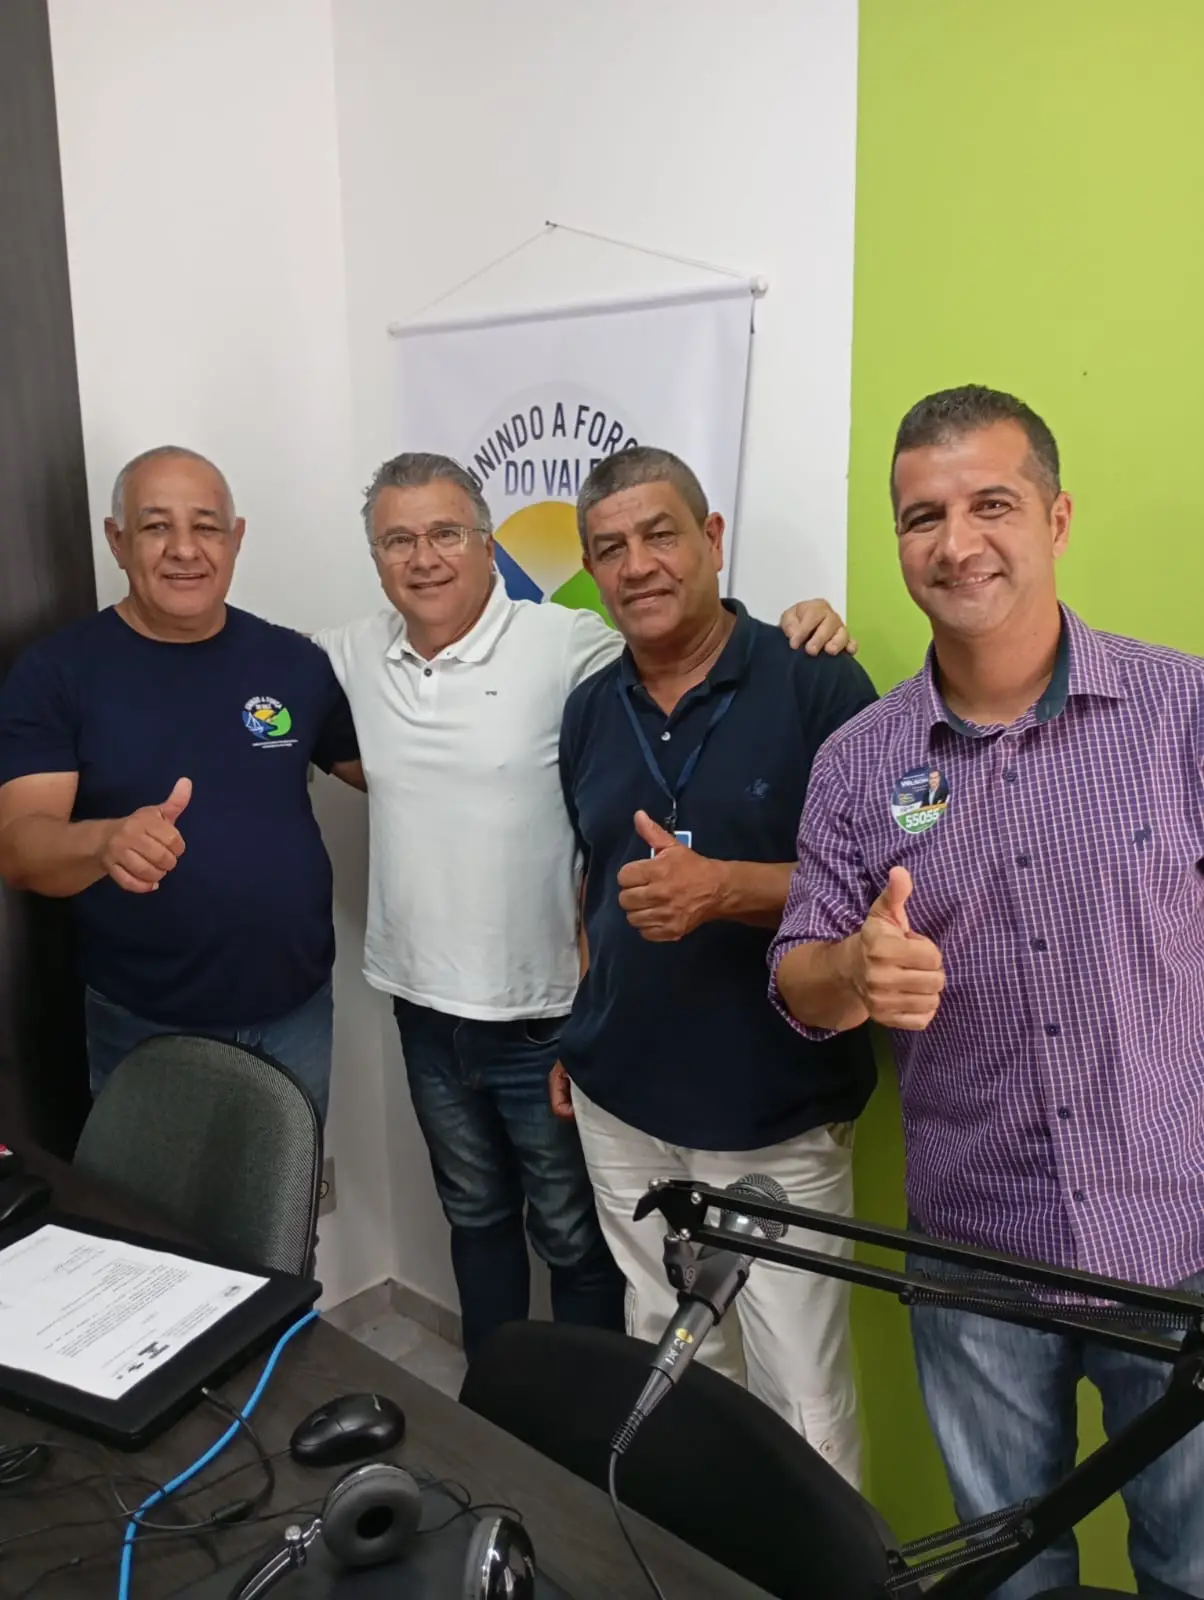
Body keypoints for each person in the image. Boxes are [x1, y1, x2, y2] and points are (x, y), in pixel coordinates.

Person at [771, 385, 1204, 1598]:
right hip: (973, 1254)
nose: (956, 542)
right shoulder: (857, 762)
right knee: (1006, 1575)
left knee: (1193, 1565)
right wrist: (851, 970)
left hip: (1176, 1239)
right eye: (923, 516)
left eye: (991, 505)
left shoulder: (1182, 712)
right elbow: (799, 976)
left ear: (1055, 518)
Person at [314, 450, 855, 1361]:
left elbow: (696, 637)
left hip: (548, 1018)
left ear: (489, 544)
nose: (424, 557)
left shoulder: (572, 646)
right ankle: (495, 1416)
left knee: (579, 1244)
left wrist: (809, 619)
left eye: (446, 533)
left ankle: (578, 1431)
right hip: (430, 1009)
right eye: (397, 541)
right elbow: (264, 692)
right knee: (477, 1218)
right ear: (374, 559)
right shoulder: (353, 655)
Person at [552, 446, 877, 1485]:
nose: (637, 564)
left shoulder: (814, 677)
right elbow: (593, 878)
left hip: (771, 1108)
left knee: (801, 1400)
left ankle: (814, 1561)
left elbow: (881, 887)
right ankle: (690, 1557)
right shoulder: (588, 708)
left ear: (712, 538)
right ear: (590, 570)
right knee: (669, 1364)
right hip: (620, 1099)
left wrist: (724, 887)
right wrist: (581, 1023)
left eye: (660, 534)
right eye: (610, 548)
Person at [0, 447, 363, 1120]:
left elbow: (385, 772)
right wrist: (105, 841)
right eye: (156, 526)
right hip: (146, 1027)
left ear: (236, 538)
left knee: (288, 1191)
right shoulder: (57, 672)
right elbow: (20, 846)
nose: (185, 549)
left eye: (206, 526)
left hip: (297, 1012)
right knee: (150, 1195)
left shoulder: (293, 661)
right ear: (117, 540)